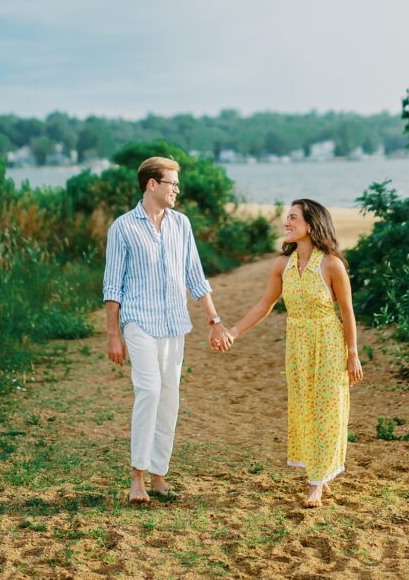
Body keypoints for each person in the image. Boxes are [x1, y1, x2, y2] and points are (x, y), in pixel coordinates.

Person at [103, 155, 233, 504]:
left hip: (174, 323)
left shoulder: (181, 224)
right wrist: (113, 335)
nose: (177, 189)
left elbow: (195, 276)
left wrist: (215, 321)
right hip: (139, 321)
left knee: (169, 398)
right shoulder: (123, 228)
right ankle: (137, 478)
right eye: (172, 183)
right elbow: (112, 287)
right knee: (149, 391)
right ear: (152, 185)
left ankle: (159, 476)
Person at [221, 198, 363, 508]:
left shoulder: (331, 264)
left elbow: (347, 311)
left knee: (328, 409)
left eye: (293, 218)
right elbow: (264, 305)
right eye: (287, 217)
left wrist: (352, 353)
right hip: (297, 345)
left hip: (328, 343)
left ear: (311, 225)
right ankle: (319, 471)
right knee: (304, 408)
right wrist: (234, 331)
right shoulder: (282, 265)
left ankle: (317, 482)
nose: (287, 222)